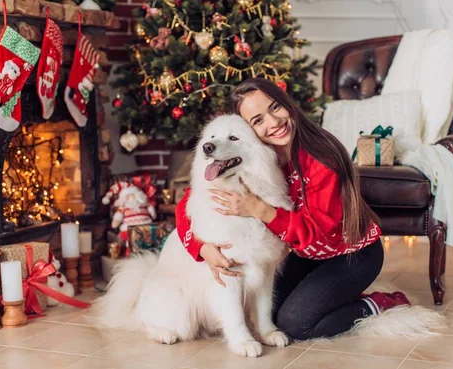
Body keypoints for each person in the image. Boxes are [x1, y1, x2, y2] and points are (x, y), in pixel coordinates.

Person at [175, 78, 410, 341]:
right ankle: (333, 295)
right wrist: (202, 248)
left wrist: (260, 209)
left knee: (297, 325)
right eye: (258, 121)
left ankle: (377, 304)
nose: (272, 122)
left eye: (275, 108)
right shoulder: (260, 157)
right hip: (307, 254)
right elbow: (189, 202)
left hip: (351, 253)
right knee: (271, 312)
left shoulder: (323, 157)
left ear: (287, 103)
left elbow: (315, 232)